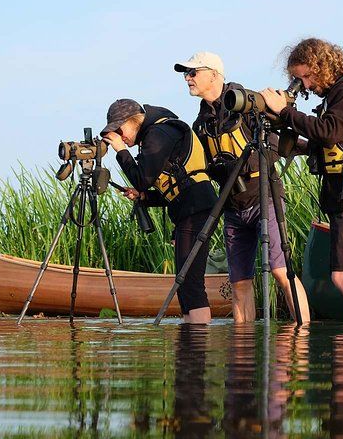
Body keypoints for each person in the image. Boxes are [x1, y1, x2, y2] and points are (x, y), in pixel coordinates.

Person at [260, 38, 343, 326]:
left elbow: (330, 131)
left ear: (323, 65)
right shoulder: (341, 93)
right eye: (299, 78)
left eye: (307, 76)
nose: (305, 85)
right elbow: (336, 141)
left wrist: (286, 112)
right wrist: (301, 146)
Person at [174, 51, 310, 323]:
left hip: (264, 197)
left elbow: (278, 139)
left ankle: (303, 336)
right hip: (233, 206)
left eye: (193, 72)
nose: (187, 78)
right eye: (186, 74)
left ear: (213, 75)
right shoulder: (201, 123)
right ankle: (243, 352)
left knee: (280, 271)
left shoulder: (246, 104)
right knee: (239, 282)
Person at [101, 98, 218, 324]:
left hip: (196, 209)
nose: (119, 135)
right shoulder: (157, 134)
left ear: (132, 121)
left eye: (119, 129)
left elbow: (142, 179)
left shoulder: (157, 133)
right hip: (191, 208)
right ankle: (190, 346)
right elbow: (173, 187)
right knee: (184, 281)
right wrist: (144, 196)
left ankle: (197, 345)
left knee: (190, 281)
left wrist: (121, 151)